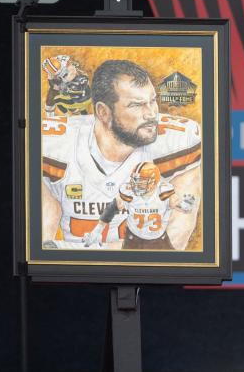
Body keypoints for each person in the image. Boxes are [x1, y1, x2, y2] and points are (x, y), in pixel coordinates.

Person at [40, 59, 202, 251]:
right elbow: (40, 246)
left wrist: (68, 249)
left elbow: (169, 246)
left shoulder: (179, 142)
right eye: (136, 105)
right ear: (103, 112)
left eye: (152, 100)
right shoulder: (53, 146)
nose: (151, 114)